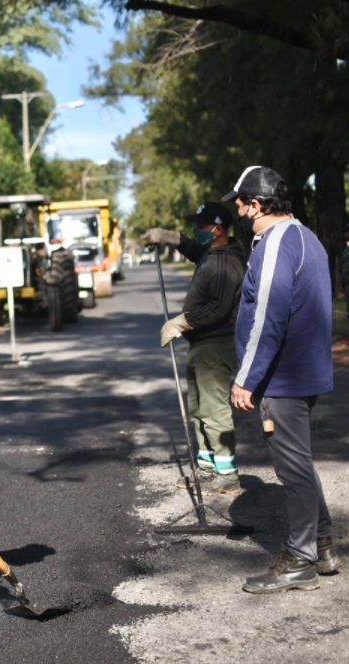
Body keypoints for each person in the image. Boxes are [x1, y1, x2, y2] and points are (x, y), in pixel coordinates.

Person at [223, 166, 341, 593]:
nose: (237, 211)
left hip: (282, 377)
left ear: (255, 205)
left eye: (239, 203)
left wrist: (246, 378)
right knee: (300, 464)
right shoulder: (305, 237)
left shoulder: (274, 243)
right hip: (302, 371)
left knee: (292, 471)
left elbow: (267, 316)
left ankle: (300, 561)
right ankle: (321, 546)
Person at [141, 202, 246, 495]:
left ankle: (227, 475)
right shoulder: (213, 253)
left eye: (201, 226)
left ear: (218, 230)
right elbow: (196, 250)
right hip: (202, 345)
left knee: (214, 411)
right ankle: (207, 468)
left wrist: (181, 322)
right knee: (199, 410)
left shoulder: (225, 263)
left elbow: (218, 308)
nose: (196, 230)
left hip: (216, 345)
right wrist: (170, 238)